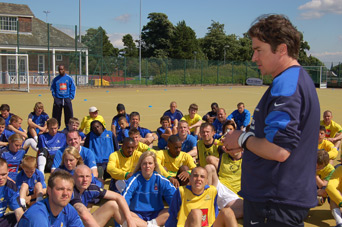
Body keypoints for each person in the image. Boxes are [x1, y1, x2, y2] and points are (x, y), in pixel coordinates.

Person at [223, 14, 320, 226]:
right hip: (275, 201)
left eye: (259, 50)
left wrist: (242, 139)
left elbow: (278, 150)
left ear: (282, 49)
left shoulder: (287, 84)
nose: (253, 58)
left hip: (274, 203)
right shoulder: (292, 80)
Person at [165, 166, 238, 227]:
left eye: (202, 177)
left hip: (208, 225)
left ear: (206, 181)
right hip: (187, 224)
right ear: (190, 179)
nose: (198, 179)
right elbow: (172, 214)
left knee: (227, 211)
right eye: (195, 176)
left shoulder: (212, 191)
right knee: (196, 213)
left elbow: (214, 212)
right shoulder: (181, 191)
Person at [123, 151, 176, 227]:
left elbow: (174, 198)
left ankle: (149, 225)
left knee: (173, 211)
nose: (147, 166)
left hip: (157, 215)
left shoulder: (161, 180)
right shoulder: (134, 179)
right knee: (125, 214)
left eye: (150, 163)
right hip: (137, 215)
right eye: (144, 163)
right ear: (140, 165)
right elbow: (125, 199)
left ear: (154, 165)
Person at [70, 165, 136, 227]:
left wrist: (129, 218)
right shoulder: (70, 191)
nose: (85, 179)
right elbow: (83, 214)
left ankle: (145, 225)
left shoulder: (91, 188)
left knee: (114, 205)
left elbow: (118, 197)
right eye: (81, 176)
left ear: (91, 177)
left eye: (87, 176)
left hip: (83, 222)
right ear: (73, 177)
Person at [18, 170, 84, 226]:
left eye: (69, 189)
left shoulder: (69, 210)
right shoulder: (37, 215)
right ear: (49, 190)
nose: (65, 193)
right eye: (60, 189)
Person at [0, 158, 24, 227]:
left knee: (25, 217)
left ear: (8, 172)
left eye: (3, 174)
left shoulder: (10, 187)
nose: (0, 178)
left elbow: (18, 211)